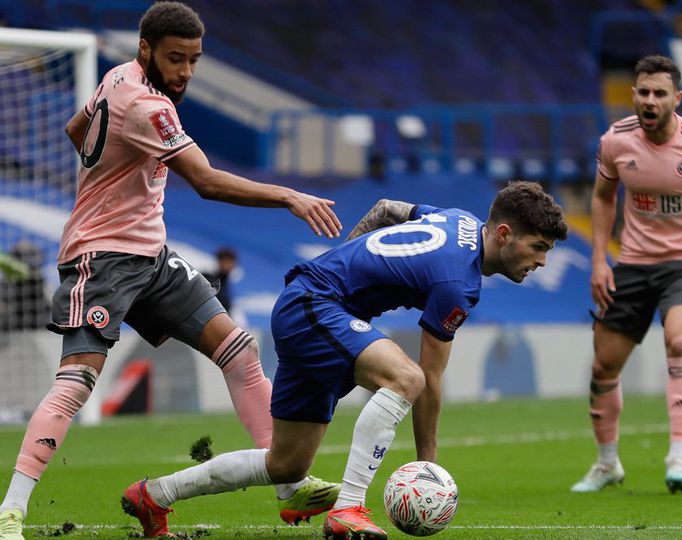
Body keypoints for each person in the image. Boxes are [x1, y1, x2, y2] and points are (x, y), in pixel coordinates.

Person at [0, 3, 344, 539]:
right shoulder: (148, 106)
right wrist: (287, 194)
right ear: (146, 50)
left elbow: (77, 127)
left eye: (193, 60)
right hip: (104, 257)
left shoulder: (115, 77)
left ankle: (285, 482)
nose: (185, 71)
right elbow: (205, 182)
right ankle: (10, 512)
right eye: (175, 59)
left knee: (239, 350)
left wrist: (115, 176)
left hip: (152, 257)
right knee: (76, 382)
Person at [121, 180, 568, 539]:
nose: (543, 261)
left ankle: (156, 494)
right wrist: (427, 466)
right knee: (405, 378)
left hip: (313, 307)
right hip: (316, 307)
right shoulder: (459, 282)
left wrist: (341, 259)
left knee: (286, 465)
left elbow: (388, 208)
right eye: (539, 247)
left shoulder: (459, 221)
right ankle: (349, 509)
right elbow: (429, 378)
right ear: (505, 234)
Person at [570, 55, 682, 495]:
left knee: (678, 341)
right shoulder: (616, 141)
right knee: (604, 365)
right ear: (633, 95)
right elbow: (601, 197)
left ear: (677, 99)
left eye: (660, 93)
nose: (650, 101)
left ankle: (678, 456)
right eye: (644, 92)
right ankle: (607, 464)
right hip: (632, 263)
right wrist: (599, 260)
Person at [203, 247, 238, 312]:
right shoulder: (206, 278)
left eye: (229, 261)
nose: (226, 265)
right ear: (219, 261)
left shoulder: (227, 291)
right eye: (224, 260)